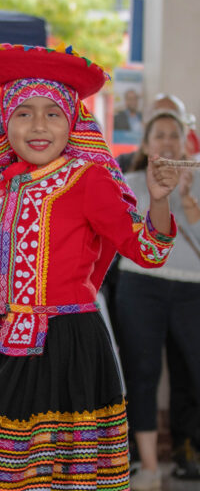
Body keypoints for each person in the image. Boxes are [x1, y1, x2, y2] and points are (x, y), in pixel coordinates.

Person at [0, 44, 179, 491]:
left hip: (68, 349)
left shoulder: (89, 179)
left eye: (53, 114)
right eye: (24, 113)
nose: (39, 125)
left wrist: (157, 204)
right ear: (3, 120)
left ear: (73, 123)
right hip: (2, 348)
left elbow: (149, 251)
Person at [114, 110, 200, 489]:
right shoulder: (129, 182)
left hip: (192, 288)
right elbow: (125, 240)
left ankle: (189, 450)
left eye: (173, 135)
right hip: (141, 284)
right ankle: (149, 467)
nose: (166, 141)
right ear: (147, 144)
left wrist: (187, 198)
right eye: (159, 135)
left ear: (185, 142)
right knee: (142, 373)